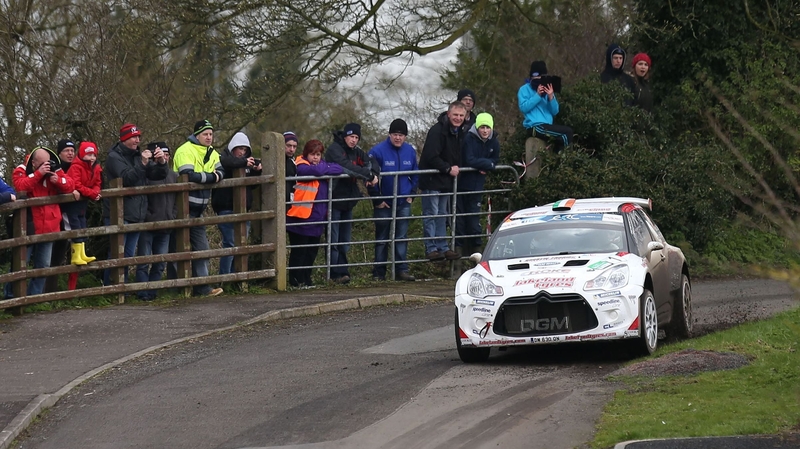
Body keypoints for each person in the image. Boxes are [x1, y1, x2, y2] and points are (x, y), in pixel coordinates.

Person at [103, 123, 169, 286]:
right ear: (124, 139)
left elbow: (158, 175)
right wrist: (143, 163)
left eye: (138, 137)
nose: (137, 140)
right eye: (134, 137)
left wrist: (161, 162)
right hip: (119, 213)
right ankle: (112, 288)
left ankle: (123, 288)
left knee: (128, 255)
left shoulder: (137, 156)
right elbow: (126, 179)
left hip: (136, 213)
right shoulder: (114, 157)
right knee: (117, 255)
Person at [12, 147, 75, 295]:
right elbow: (20, 186)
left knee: (44, 265)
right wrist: (38, 174)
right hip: (29, 226)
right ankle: (12, 297)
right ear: (33, 163)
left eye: (47, 162)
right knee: (20, 265)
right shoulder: (22, 170)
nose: (46, 166)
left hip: (50, 225)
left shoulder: (54, 168)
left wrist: (58, 180)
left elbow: (70, 185)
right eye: (42, 164)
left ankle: (35, 298)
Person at [173, 119, 225, 297]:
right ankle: (177, 288)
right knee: (177, 249)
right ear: (197, 135)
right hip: (180, 207)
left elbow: (222, 172)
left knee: (203, 249)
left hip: (198, 209)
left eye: (211, 134)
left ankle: (202, 288)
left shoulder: (212, 152)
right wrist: (212, 177)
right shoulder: (184, 150)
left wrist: (211, 176)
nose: (209, 137)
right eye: (205, 134)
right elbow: (188, 175)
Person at [324, 123, 379, 284]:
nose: (353, 140)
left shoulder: (357, 151)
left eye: (356, 137)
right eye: (351, 137)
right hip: (334, 200)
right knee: (333, 240)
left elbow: (370, 161)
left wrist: (373, 173)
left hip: (349, 201)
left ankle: (343, 271)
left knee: (344, 240)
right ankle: (333, 273)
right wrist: (369, 176)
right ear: (345, 136)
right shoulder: (334, 149)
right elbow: (346, 167)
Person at [367, 119, 419, 282]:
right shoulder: (377, 151)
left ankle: (401, 270)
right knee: (382, 238)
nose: (398, 138)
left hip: (403, 202)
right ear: (389, 134)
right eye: (395, 134)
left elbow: (416, 174)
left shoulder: (410, 151)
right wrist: (377, 199)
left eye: (401, 135)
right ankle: (379, 272)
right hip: (384, 203)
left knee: (401, 237)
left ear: (405, 136)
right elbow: (369, 176)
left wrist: (412, 194)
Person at [286, 140, 343, 287]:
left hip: (317, 217)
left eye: (318, 154)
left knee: (311, 252)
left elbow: (338, 168)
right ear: (306, 154)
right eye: (312, 154)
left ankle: (306, 280)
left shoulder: (319, 165)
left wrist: (323, 167)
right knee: (299, 252)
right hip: (300, 218)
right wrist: (325, 167)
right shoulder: (300, 165)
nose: (316, 157)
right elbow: (316, 171)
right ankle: (295, 281)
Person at [419, 101, 466, 262]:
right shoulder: (437, 131)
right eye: (455, 115)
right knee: (431, 214)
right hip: (432, 180)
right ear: (448, 114)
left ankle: (443, 247)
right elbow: (431, 156)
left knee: (442, 215)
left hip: (445, 181)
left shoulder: (459, 133)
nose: (458, 118)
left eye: (461, 115)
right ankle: (431, 248)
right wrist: (447, 168)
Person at [212, 132, 262, 275]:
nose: (242, 152)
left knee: (242, 244)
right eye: (240, 148)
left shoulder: (246, 164)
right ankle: (225, 277)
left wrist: (257, 171)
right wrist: (245, 162)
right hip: (226, 208)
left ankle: (237, 277)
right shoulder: (223, 159)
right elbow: (228, 163)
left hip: (243, 210)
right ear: (233, 147)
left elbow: (251, 186)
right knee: (230, 243)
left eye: (245, 150)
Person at [135, 142, 177, 301]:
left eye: (167, 155)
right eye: (161, 154)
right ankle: (142, 292)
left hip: (166, 224)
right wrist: (147, 215)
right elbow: (141, 198)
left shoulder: (174, 176)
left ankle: (153, 292)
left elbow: (177, 200)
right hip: (148, 224)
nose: (164, 157)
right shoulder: (148, 174)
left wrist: (173, 215)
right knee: (144, 261)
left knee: (160, 262)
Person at [457, 112, 500, 257]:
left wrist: (485, 164)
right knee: (460, 220)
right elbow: (469, 160)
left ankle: (476, 252)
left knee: (474, 220)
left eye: (487, 127)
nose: (485, 130)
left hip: (477, 186)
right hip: (463, 185)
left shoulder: (494, 141)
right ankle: (459, 255)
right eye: (482, 127)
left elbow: (496, 160)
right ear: (477, 127)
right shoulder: (469, 139)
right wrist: (487, 164)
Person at [46, 139, 80, 292]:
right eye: (67, 150)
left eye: (72, 151)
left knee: (71, 251)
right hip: (54, 215)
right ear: (59, 153)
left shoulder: (77, 167)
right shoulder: (53, 167)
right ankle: (48, 291)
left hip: (72, 215)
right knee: (53, 254)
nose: (70, 153)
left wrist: (77, 188)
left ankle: (70, 290)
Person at [518, 60, 573, 150]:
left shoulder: (547, 90)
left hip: (547, 125)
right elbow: (524, 108)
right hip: (535, 126)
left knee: (565, 136)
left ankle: (557, 155)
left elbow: (555, 111)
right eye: (536, 76)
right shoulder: (524, 89)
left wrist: (551, 97)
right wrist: (538, 95)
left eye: (541, 77)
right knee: (567, 132)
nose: (538, 79)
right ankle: (560, 155)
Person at [65, 141, 102, 267]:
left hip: (83, 202)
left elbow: (97, 183)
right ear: (82, 155)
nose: (92, 158)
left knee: (82, 225)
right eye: (89, 155)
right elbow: (76, 184)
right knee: (75, 226)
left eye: (94, 155)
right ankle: (75, 256)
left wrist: (95, 192)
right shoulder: (76, 167)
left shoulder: (96, 168)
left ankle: (82, 253)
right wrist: (92, 193)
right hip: (73, 203)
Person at [284, 131, 299, 206]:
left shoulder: (293, 161)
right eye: (289, 145)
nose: (291, 149)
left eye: (294, 146)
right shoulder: (276, 161)